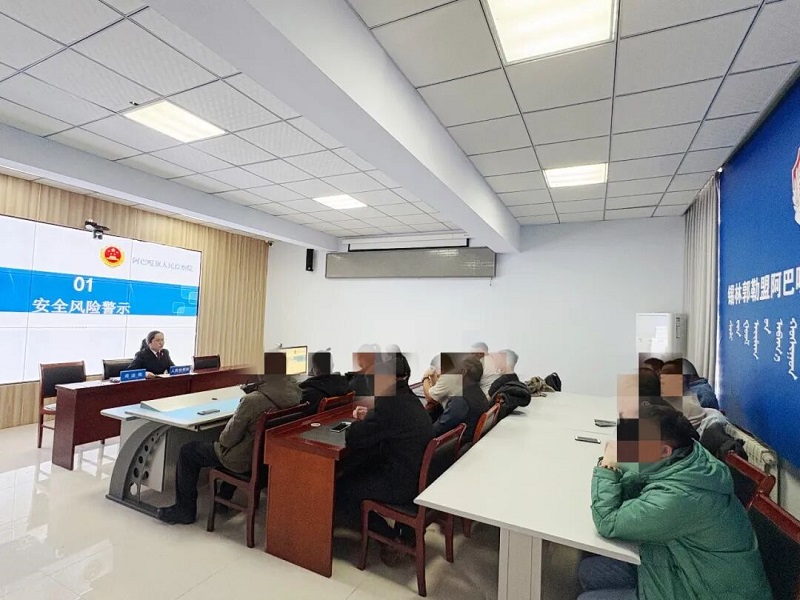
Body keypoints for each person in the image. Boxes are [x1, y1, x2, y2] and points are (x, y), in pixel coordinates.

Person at [579, 403, 771, 600]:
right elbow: (632, 484)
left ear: (664, 451)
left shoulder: (679, 497)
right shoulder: (688, 456)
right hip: (682, 565)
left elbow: (608, 522)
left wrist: (607, 467)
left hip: (701, 591)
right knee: (588, 570)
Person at [157, 365, 302, 525]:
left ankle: (185, 510)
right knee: (241, 444)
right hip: (267, 461)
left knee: (188, 452)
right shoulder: (295, 393)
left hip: (243, 460)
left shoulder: (252, 401)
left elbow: (226, 440)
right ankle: (223, 497)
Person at [336, 353, 434, 564]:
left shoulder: (389, 403)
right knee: (358, 467)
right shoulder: (408, 398)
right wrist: (370, 417)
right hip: (417, 477)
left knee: (342, 488)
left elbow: (354, 437)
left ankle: (391, 540)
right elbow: (390, 423)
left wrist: (359, 422)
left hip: (401, 484)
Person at [432, 356, 488, 443]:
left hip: (457, 445)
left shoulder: (461, 401)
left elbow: (438, 429)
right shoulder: (480, 395)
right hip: (469, 441)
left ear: (463, 372)